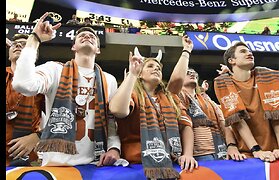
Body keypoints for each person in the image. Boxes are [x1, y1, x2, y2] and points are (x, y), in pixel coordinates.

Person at [12, 12, 120, 167]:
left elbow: (111, 121)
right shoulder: (54, 69)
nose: (87, 35)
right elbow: (22, 84)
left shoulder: (109, 80)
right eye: (81, 35)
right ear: (73, 46)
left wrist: (114, 148)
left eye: (92, 35)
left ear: (98, 49)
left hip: (96, 163)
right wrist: (34, 39)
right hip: (58, 163)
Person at [109, 36, 198, 179]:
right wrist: (132, 74)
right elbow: (117, 110)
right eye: (150, 66)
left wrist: (187, 154)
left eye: (158, 68)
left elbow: (186, 125)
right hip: (138, 165)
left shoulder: (170, 97)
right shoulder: (132, 94)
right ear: (140, 74)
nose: (156, 69)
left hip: (171, 163)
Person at [214, 42, 279, 162]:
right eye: (243, 51)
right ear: (231, 60)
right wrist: (256, 150)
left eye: (249, 51)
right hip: (248, 152)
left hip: (277, 151)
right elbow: (238, 120)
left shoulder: (267, 75)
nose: (249, 53)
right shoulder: (222, 83)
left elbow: (277, 113)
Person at [178, 68, 246, 161]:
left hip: (221, 151)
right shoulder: (175, 97)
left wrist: (231, 145)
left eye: (194, 73)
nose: (192, 74)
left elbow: (225, 123)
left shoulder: (210, 102)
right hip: (196, 155)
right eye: (187, 73)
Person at [6, 34, 44, 166]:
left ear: (33, 54)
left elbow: (59, 114)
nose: (17, 45)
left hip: (27, 158)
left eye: (24, 44)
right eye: (14, 44)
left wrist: (39, 136)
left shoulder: (42, 81)